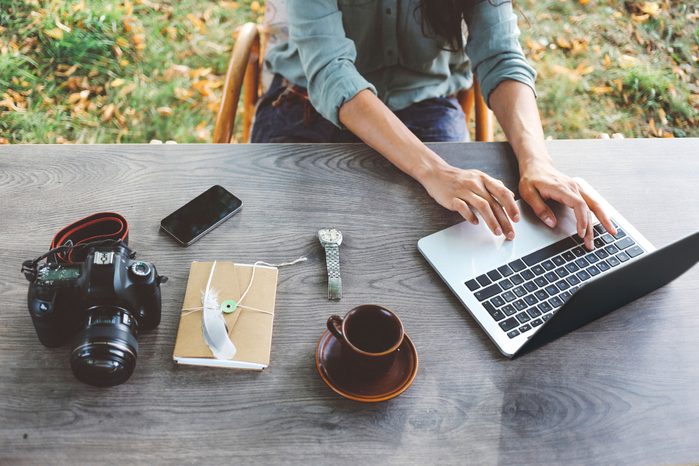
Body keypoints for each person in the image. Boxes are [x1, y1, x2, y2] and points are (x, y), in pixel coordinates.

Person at [251, 0, 616, 248]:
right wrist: (436, 171)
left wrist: (538, 162)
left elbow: (501, 56)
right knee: (278, 234)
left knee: (462, 239)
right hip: (303, 103)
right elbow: (331, 71)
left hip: (424, 105)